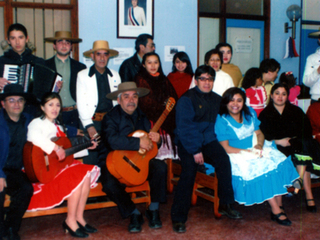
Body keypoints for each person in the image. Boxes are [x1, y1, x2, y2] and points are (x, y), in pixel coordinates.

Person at [171, 65, 242, 234]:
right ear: (196, 81)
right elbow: (185, 128)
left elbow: (232, 110)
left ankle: (225, 203)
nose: (206, 82)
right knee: (189, 171)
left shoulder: (217, 99)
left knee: (223, 160)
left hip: (208, 140)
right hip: (188, 142)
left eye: (210, 79)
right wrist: (195, 150)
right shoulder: (186, 99)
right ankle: (178, 217)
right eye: (202, 79)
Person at [215, 87, 299, 226]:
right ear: (225, 102)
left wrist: (259, 146)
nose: (235, 104)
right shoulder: (222, 120)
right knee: (261, 168)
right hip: (235, 153)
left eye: (239, 100)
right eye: (231, 100)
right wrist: (247, 152)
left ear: (244, 102)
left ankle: (279, 206)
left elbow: (259, 134)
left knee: (277, 162)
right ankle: (276, 210)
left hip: (255, 147)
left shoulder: (250, 113)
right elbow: (225, 147)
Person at [27, 92, 100, 238]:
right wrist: (55, 148)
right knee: (77, 176)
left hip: (58, 167)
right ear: (42, 107)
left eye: (58, 105)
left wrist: (87, 147)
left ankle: (79, 217)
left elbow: (65, 153)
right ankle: (70, 220)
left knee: (84, 174)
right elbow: (33, 137)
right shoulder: (36, 123)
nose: (55, 108)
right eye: (50, 105)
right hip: (44, 171)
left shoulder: (59, 126)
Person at [99, 82, 167, 233]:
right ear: (119, 100)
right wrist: (138, 143)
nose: (131, 100)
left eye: (134, 96)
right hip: (114, 162)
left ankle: (153, 209)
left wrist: (157, 140)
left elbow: (149, 144)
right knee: (109, 183)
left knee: (161, 167)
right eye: (126, 96)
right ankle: (133, 213)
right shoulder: (110, 117)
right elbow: (112, 141)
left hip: (138, 161)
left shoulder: (142, 116)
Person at [259, 83, 320, 213]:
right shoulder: (265, 114)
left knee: (302, 149)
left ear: (287, 96)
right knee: (301, 154)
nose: (280, 97)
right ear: (272, 95)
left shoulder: (296, 111)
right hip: (276, 146)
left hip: (295, 144)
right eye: (277, 93)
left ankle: (306, 190)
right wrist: (279, 141)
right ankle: (306, 193)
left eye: (284, 94)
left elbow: (306, 130)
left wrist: (293, 140)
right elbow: (262, 136)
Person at [77, 40, 121, 165]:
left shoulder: (115, 75)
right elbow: (81, 103)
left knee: (109, 160)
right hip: (91, 123)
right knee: (91, 160)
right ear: (92, 56)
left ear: (109, 56)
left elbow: (118, 102)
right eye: (98, 54)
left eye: (105, 54)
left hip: (110, 124)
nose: (102, 58)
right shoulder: (83, 75)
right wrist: (89, 126)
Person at [0, 84, 34, 240]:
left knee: (26, 188)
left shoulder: (28, 119)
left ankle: (12, 227)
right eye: (11, 100)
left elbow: (48, 126)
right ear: (3, 103)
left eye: (20, 100)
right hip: (0, 168)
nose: (16, 104)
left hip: (14, 170)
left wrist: (76, 132)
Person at [134, 52, 178, 160]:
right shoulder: (140, 79)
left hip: (166, 120)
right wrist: (163, 108)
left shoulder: (163, 78)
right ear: (144, 65)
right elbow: (145, 103)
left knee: (168, 159)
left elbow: (173, 98)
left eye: (156, 62)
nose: (153, 66)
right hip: (149, 122)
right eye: (149, 63)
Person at [44, 31, 86, 128]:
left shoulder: (80, 67)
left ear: (71, 46)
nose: (64, 45)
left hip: (74, 114)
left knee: (75, 142)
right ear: (54, 46)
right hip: (53, 113)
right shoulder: (45, 66)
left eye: (67, 42)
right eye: (60, 42)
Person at [0, 23, 46, 101]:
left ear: (27, 39)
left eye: (20, 37)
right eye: (13, 38)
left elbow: (46, 88)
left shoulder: (38, 62)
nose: (17, 42)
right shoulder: (1, 61)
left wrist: (55, 86)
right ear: (8, 40)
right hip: (10, 109)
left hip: (32, 107)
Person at [302, 32, 320, 104]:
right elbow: (306, 82)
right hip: (317, 99)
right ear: (319, 40)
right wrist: (317, 71)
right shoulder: (311, 58)